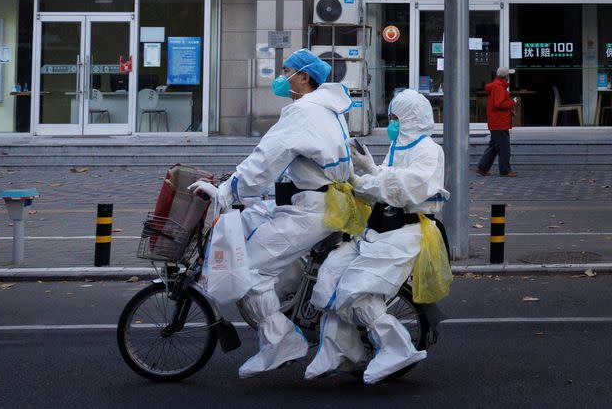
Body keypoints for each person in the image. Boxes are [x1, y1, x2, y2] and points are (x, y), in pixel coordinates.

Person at [189, 48, 354, 378]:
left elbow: (266, 157)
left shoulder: (304, 111)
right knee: (251, 223)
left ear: (304, 77)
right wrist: (247, 191)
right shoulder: (323, 108)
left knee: (247, 273)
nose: (281, 77)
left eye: (286, 70)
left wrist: (228, 190)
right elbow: (287, 163)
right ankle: (283, 311)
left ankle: (281, 342)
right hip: (311, 202)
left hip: (310, 210)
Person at [305, 89, 449, 384]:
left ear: (411, 118)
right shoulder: (400, 146)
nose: (392, 123)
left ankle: (397, 349)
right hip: (377, 229)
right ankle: (338, 349)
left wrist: (371, 172)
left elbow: (408, 188)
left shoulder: (429, 151)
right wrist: (358, 177)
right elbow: (383, 180)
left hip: (404, 232)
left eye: (396, 118)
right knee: (330, 276)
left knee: (356, 290)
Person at [476, 66, 518, 177]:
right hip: (500, 123)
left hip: (496, 122)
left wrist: (510, 110)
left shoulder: (495, 86)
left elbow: (497, 104)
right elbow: (499, 104)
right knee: (504, 148)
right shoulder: (499, 87)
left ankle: (482, 167)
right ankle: (505, 170)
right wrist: (512, 102)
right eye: (508, 75)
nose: (509, 77)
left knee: (494, 146)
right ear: (506, 76)